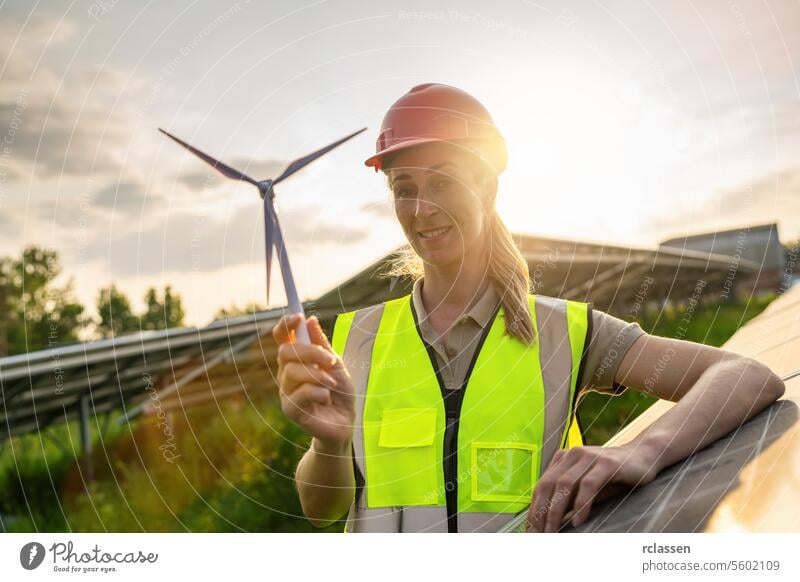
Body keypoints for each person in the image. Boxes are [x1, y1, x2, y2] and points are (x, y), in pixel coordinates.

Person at [272, 83, 785, 533]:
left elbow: (745, 376)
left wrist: (640, 451)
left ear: (487, 187)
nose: (421, 209)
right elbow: (322, 509)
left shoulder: (566, 331)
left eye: (443, 182)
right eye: (404, 189)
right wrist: (331, 444)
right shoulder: (355, 339)